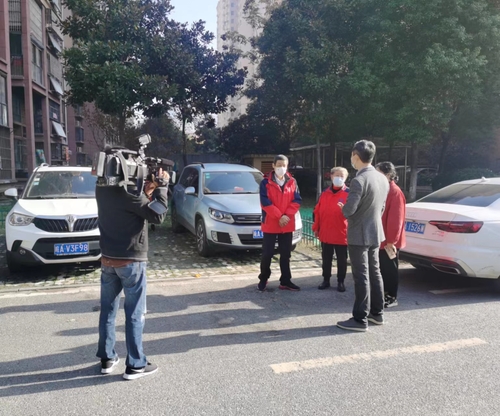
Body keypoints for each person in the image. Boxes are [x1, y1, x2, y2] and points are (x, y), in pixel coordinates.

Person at [96, 168, 170, 380]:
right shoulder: (131, 194)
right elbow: (158, 215)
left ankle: (107, 359)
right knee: (135, 313)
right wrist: (162, 187)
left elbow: (130, 208)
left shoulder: (101, 188)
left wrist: (146, 192)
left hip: (108, 259)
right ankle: (136, 365)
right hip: (131, 261)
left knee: (108, 311)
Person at [336, 140, 389, 332]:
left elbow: (349, 210)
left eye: (352, 155)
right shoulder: (382, 178)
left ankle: (360, 319)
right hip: (375, 231)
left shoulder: (359, 180)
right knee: (375, 272)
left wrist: (343, 209)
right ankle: (377, 313)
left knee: (361, 276)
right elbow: (381, 207)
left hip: (359, 233)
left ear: (356, 156)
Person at [258, 154, 302, 291]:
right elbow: (265, 202)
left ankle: (285, 281)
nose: (281, 168)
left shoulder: (293, 182)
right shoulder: (265, 183)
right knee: (267, 254)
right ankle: (263, 278)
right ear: (273, 166)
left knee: (286, 254)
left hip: (287, 224)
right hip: (271, 223)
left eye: (284, 165)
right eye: (279, 165)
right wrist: (279, 216)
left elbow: (297, 200)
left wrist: (286, 216)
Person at [312, 167, 349, 292]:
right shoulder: (325, 193)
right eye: (337, 175)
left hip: (341, 232)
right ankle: (326, 279)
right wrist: (316, 228)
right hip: (326, 232)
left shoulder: (349, 193)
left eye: (342, 176)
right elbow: (317, 212)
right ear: (331, 176)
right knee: (326, 258)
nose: (339, 178)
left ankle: (341, 281)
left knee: (342, 259)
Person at [375, 162, 406, 308]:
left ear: (388, 175)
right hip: (380, 238)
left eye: (378, 173)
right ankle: (381, 294)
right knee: (381, 269)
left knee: (389, 270)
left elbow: (396, 219)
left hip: (388, 241)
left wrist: (391, 241)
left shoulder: (394, 192)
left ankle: (391, 297)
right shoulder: (383, 189)